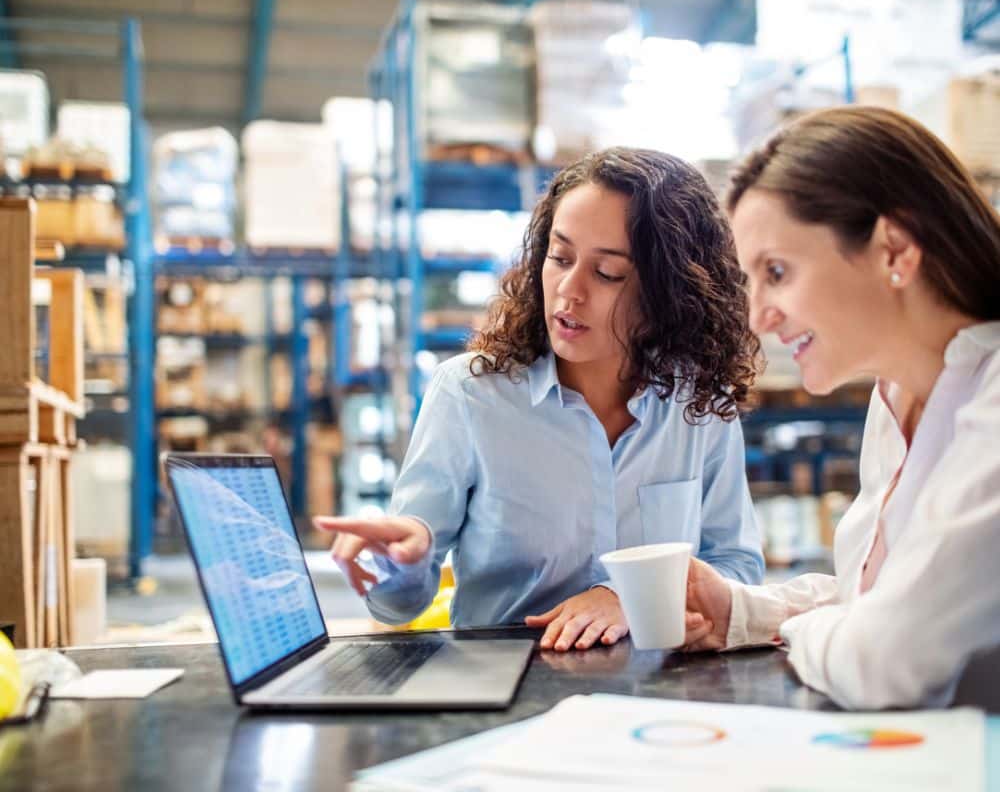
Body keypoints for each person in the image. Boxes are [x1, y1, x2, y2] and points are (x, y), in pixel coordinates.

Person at [317, 147, 764, 652]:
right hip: (508, 689)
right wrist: (403, 563)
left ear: (669, 290)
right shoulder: (469, 395)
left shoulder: (699, 404)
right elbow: (398, 606)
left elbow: (737, 566)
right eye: (560, 256)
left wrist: (626, 597)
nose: (569, 291)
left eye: (608, 273)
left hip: (657, 692)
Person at [682, 106, 1000, 709]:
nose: (758, 317)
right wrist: (744, 610)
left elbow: (885, 656)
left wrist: (803, 631)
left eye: (776, 271)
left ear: (895, 250)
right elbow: (887, 598)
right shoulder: (897, 395)